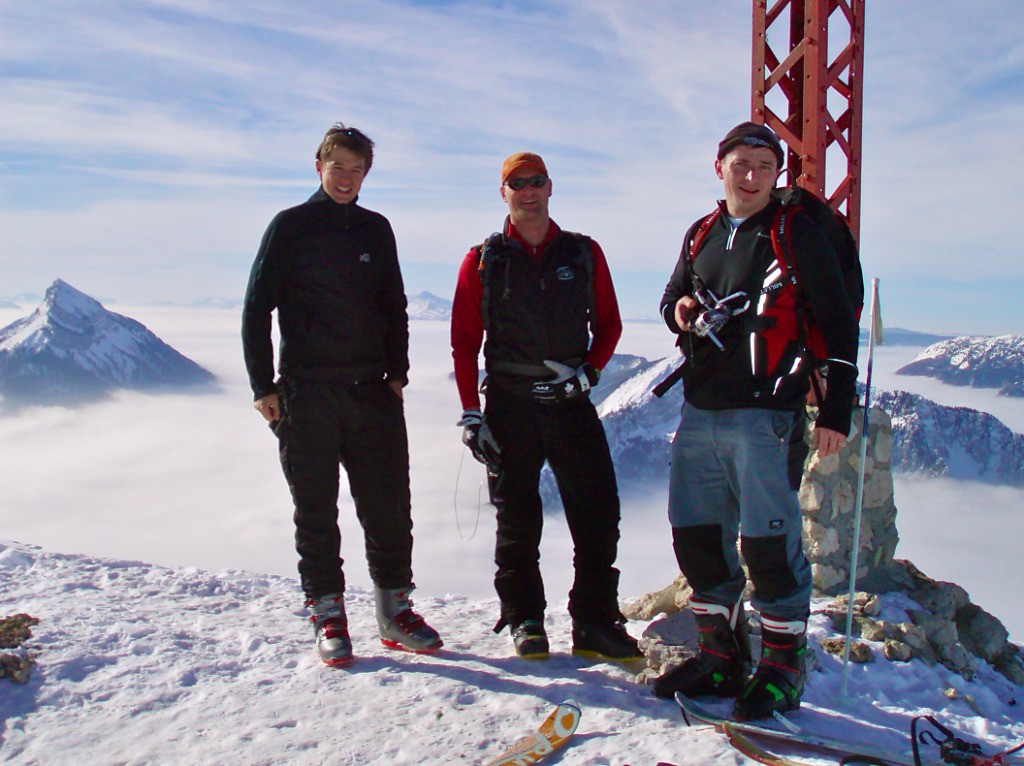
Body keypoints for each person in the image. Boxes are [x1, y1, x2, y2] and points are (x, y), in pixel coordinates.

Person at [651, 123, 859, 719]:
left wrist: (834, 412)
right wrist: (685, 312)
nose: (751, 176)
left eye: (764, 167)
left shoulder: (794, 233)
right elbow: (670, 300)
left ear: (777, 175)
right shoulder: (702, 234)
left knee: (768, 543)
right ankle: (721, 656)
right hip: (701, 409)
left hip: (769, 412)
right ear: (719, 167)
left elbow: (839, 324)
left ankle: (780, 668)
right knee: (697, 537)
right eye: (741, 164)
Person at [241, 123, 442, 666]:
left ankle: (394, 611)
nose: (348, 178)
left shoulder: (377, 230)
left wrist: (397, 375)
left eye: (357, 170)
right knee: (316, 510)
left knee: (389, 508)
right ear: (319, 166)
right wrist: (263, 386)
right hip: (307, 393)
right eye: (339, 167)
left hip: (372, 391)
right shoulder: (290, 227)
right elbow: (257, 308)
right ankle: (328, 612)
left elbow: (393, 305)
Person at [450, 151, 640, 662]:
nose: (528, 191)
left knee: (598, 513)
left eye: (536, 182)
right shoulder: (484, 261)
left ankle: (594, 622)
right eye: (517, 183)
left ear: (550, 187)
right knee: (517, 517)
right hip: (510, 403)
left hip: (570, 401)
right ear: (504, 193)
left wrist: (589, 373)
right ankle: (525, 619)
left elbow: (610, 324)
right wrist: (472, 413)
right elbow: (464, 344)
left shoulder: (582, 254)